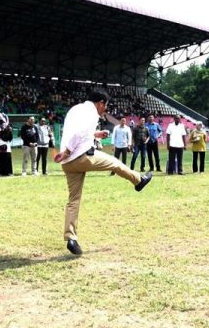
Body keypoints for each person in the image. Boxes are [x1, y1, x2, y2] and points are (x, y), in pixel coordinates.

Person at [53, 89, 152, 256]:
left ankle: (71, 238)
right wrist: (68, 152)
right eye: (104, 107)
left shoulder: (75, 109)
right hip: (80, 156)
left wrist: (94, 135)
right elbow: (79, 133)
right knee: (115, 162)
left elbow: (76, 131)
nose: (103, 111)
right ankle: (138, 181)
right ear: (100, 103)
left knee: (73, 200)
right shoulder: (91, 113)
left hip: (68, 163)